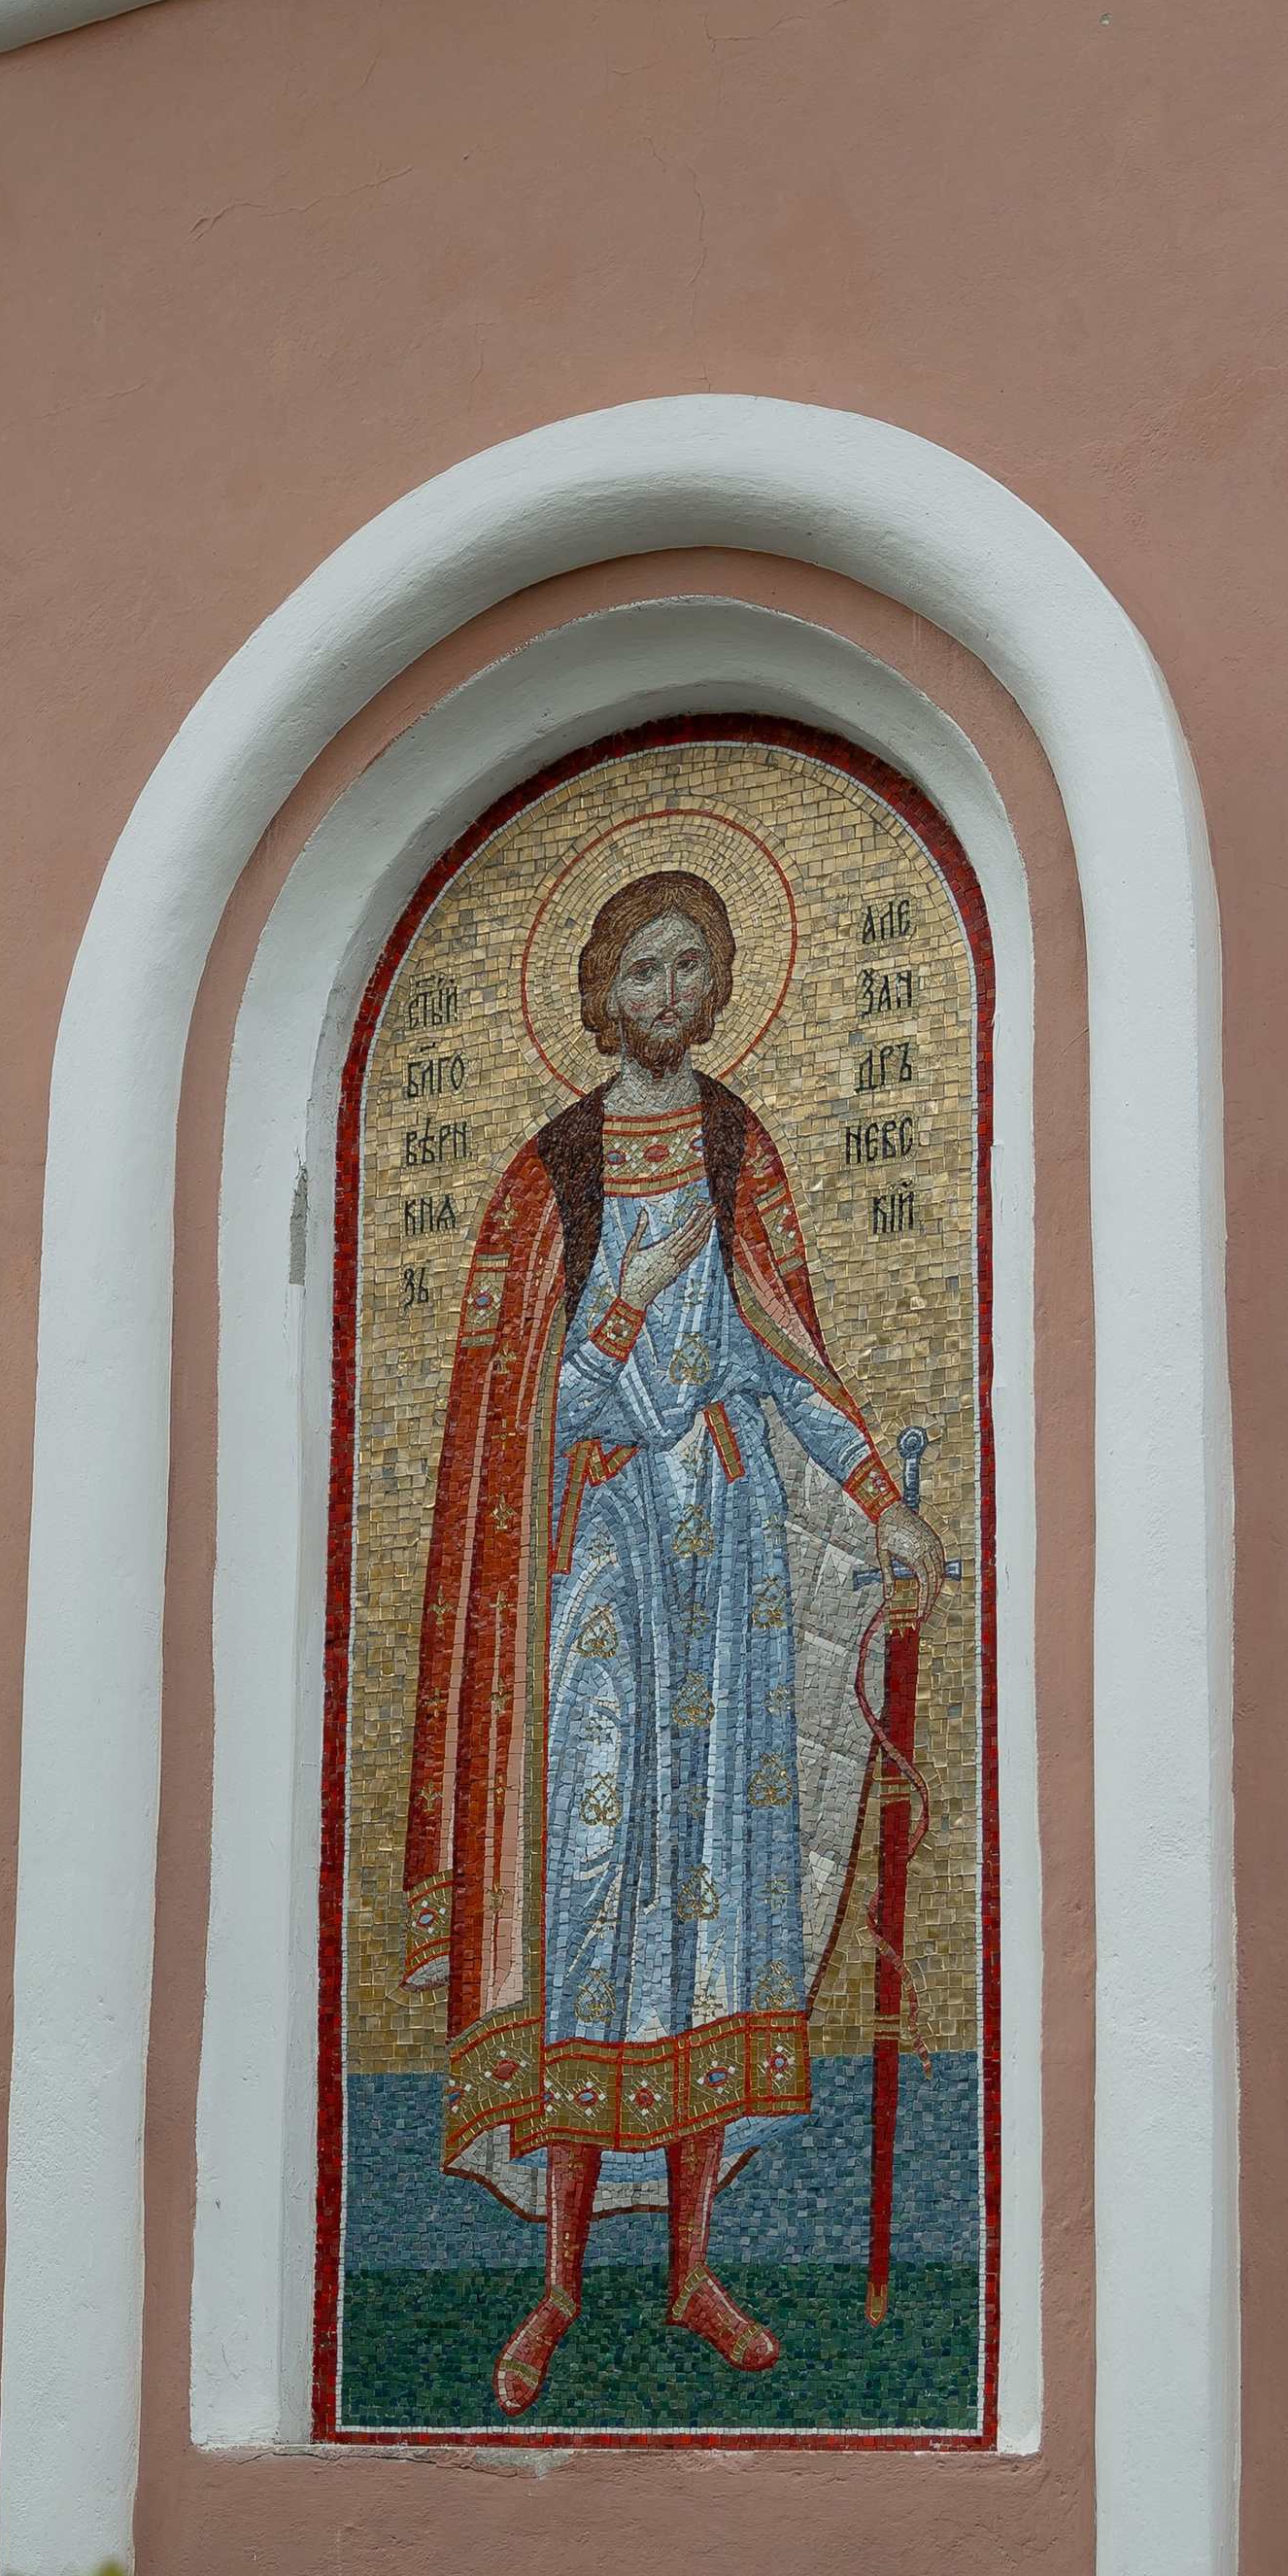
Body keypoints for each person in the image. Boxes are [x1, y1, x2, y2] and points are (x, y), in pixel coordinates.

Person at [400, 869, 944, 2414]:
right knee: (591, 1894)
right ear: (596, 992)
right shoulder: (551, 1175)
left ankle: (694, 2265)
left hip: (730, 1574)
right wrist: (628, 1310)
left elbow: (788, 1358)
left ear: (714, 994)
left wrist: (876, 1502)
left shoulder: (734, 1149)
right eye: (635, 968)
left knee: (717, 1907)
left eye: (686, 967)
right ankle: (560, 2285)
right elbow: (538, 1413)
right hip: (597, 1574)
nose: (661, 992)